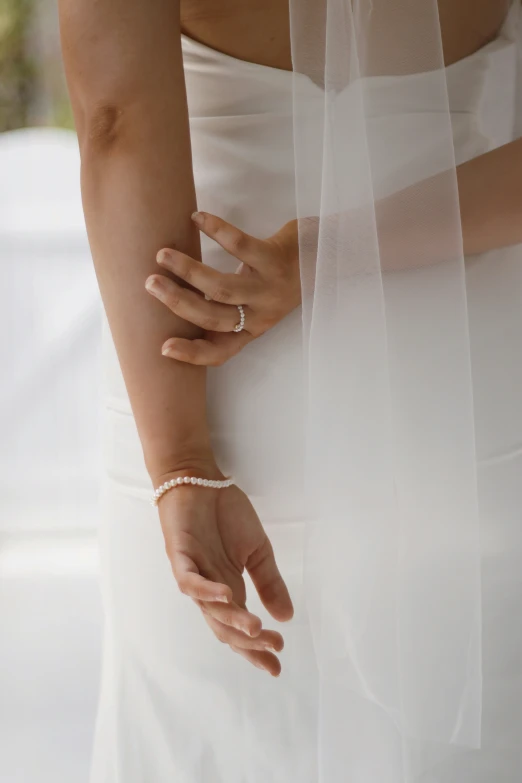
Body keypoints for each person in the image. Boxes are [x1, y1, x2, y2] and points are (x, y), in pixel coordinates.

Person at [58, 0, 522, 780]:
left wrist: (181, 461)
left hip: (201, 380)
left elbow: (116, 121)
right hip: (456, 385)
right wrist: (331, 253)